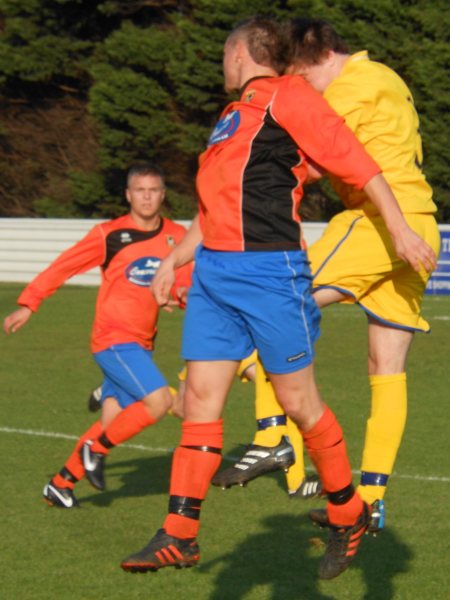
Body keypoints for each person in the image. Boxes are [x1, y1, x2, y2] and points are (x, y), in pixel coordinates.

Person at [120, 17, 436, 581]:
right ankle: (179, 534)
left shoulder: (292, 96)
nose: (221, 65)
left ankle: (347, 513)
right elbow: (217, 202)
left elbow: (359, 165)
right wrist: (174, 259)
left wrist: (400, 227)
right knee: (200, 399)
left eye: (224, 55)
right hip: (216, 274)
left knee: (300, 404)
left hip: (269, 271)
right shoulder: (230, 117)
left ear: (239, 52)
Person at [213, 17, 441, 532]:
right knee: (387, 367)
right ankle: (372, 499)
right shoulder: (388, 79)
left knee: (277, 304)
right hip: (418, 223)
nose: (295, 86)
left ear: (315, 59)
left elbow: (308, 150)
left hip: (380, 222)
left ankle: (272, 438)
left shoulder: (351, 85)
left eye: (295, 74)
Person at [3, 163, 191, 507]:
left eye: (153, 190)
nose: (147, 197)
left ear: (163, 195)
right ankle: (95, 450)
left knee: (113, 420)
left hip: (142, 343)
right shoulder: (110, 234)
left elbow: (184, 282)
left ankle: (60, 484)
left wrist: (177, 297)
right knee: (160, 401)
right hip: (113, 339)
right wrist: (29, 303)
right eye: (140, 190)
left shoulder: (178, 236)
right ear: (128, 195)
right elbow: (65, 264)